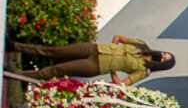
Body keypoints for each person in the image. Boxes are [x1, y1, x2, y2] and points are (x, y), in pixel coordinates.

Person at [5, 34, 176, 85]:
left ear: (162, 65)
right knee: (54, 51)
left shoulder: (144, 71)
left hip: (95, 65)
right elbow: (119, 37)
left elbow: (122, 85)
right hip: (94, 49)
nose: (161, 56)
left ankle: (15, 75)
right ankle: (14, 46)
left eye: (164, 59)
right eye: (164, 54)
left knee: (57, 70)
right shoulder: (141, 45)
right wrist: (112, 47)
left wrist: (113, 70)